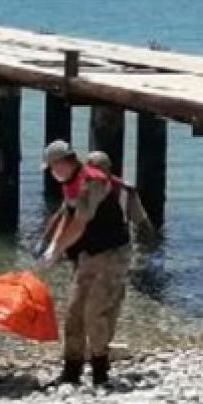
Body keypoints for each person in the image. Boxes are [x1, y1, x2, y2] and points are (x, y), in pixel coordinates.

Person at [38, 140, 135, 387]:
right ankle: (71, 371)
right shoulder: (69, 182)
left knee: (95, 311)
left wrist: (57, 250)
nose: (51, 172)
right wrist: (52, 246)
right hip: (88, 254)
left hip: (112, 252)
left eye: (52, 167)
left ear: (65, 162)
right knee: (74, 312)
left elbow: (80, 223)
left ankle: (100, 370)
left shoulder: (91, 183)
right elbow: (67, 217)